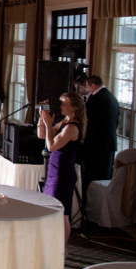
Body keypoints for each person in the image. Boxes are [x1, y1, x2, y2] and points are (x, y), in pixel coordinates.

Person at [37, 92, 86, 242]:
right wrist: (42, 117)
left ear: (74, 108)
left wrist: (48, 125)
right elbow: (42, 136)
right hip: (54, 171)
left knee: (62, 214)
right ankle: (54, 244)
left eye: (65, 104)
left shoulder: (72, 128)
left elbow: (51, 146)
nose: (61, 106)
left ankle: (62, 248)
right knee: (52, 209)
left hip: (63, 174)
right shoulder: (65, 123)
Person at [82, 74, 119, 210]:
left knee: (92, 179)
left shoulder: (96, 99)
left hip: (96, 146)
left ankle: (90, 208)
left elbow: (89, 121)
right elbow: (116, 122)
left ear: (94, 85)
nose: (88, 90)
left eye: (88, 87)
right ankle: (101, 209)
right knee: (104, 178)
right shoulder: (112, 98)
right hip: (109, 144)